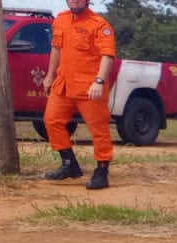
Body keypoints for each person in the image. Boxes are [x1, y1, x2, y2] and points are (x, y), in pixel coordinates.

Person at [41, 0, 116, 190]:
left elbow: (107, 55)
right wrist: (50, 75)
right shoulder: (61, 20)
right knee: (51, 121)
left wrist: (99, 81)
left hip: (89, 87)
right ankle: (69, 164)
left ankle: (102, 170)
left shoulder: (99, 25)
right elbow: (56, 49)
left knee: (98, 129)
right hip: (63, 84)